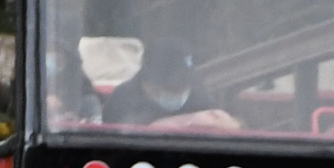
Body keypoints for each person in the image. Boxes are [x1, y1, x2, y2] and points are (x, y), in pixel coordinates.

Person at [100, 37, 240, 130]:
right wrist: (187, 122)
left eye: (183, 86)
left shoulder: (198, 95)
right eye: (171, 87)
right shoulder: (122, 100)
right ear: (147, 82)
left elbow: (231, 127)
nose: (178, 93)